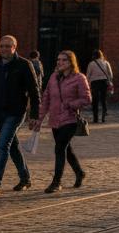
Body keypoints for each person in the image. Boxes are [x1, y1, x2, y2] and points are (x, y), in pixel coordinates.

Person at [0, 35, 42, 196]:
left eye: (7, 46)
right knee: (13, 147)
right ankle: (25, 178)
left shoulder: (24, 65)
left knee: (2, 146)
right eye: (1, 46)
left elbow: (34, 92)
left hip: (15, 113)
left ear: (14, 48)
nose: (3, 49)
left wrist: (34, 114)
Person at [31, 50, 91, 193]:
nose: (60, 62)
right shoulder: (53, 77)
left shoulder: (79, 78)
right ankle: (79, 172)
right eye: (58, 60)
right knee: (66, 149)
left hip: (70, 119)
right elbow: (46, 99)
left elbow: (87, 99)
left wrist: (71, 104)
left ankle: (56, 182)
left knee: (59, 148)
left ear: (71, 62)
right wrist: (39, 119)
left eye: (64, 60)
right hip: (55, 119)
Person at [85, 50, 112, 123]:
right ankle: (103, 117)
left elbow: (88, 75)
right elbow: (110, 74)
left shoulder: (91, 64)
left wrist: (88, 84)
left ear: (94, 56)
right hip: (104, 82)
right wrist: (109, 81)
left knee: (95, 100)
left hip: (95, 83)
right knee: (103, 100)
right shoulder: (106, 63)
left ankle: (95, 118)